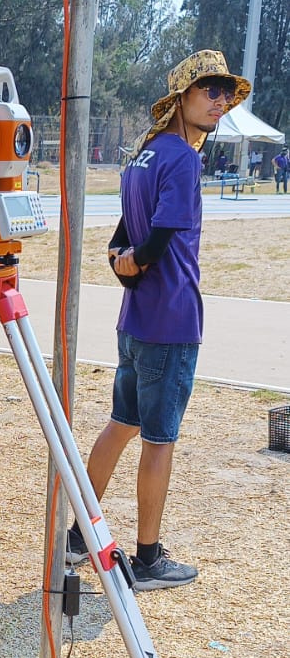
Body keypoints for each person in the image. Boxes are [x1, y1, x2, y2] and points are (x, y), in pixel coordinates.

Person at [66, 49, 250, 590]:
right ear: (182, 99)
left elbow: (123, 234)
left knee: (121, 423)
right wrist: (136, 261)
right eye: (209, 90)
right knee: (159, 438)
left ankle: (80, 535)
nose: (219, 101)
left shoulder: (143, 154)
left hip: (135, 319)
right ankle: (148, 558)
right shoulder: (184, 160)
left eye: (224, 93)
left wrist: (123, 266)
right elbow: (163, 234)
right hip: (171, 320)